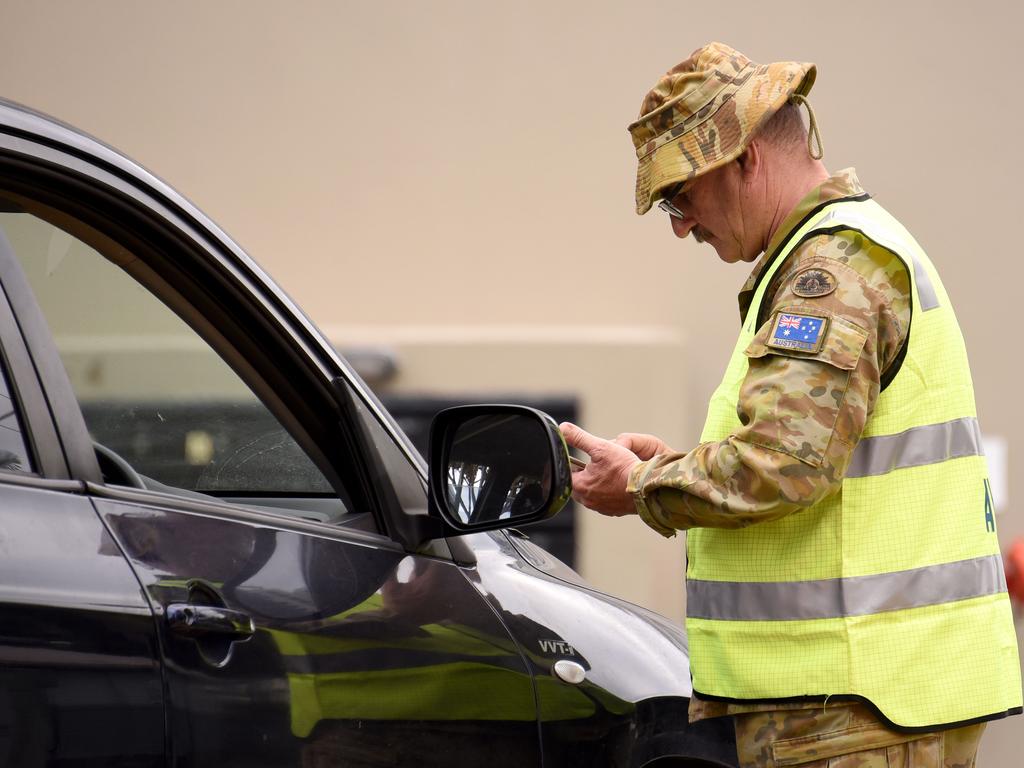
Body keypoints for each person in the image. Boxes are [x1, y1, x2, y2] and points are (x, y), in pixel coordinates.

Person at [561, 42, 1022, 767]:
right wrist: (678, 466)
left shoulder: (830, 271)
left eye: (681, 195)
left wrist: (644, 486)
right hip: (870, 703)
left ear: (744, 158)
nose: (681, 225)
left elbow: (782, 464)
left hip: (857, 712)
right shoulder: (844, 254)